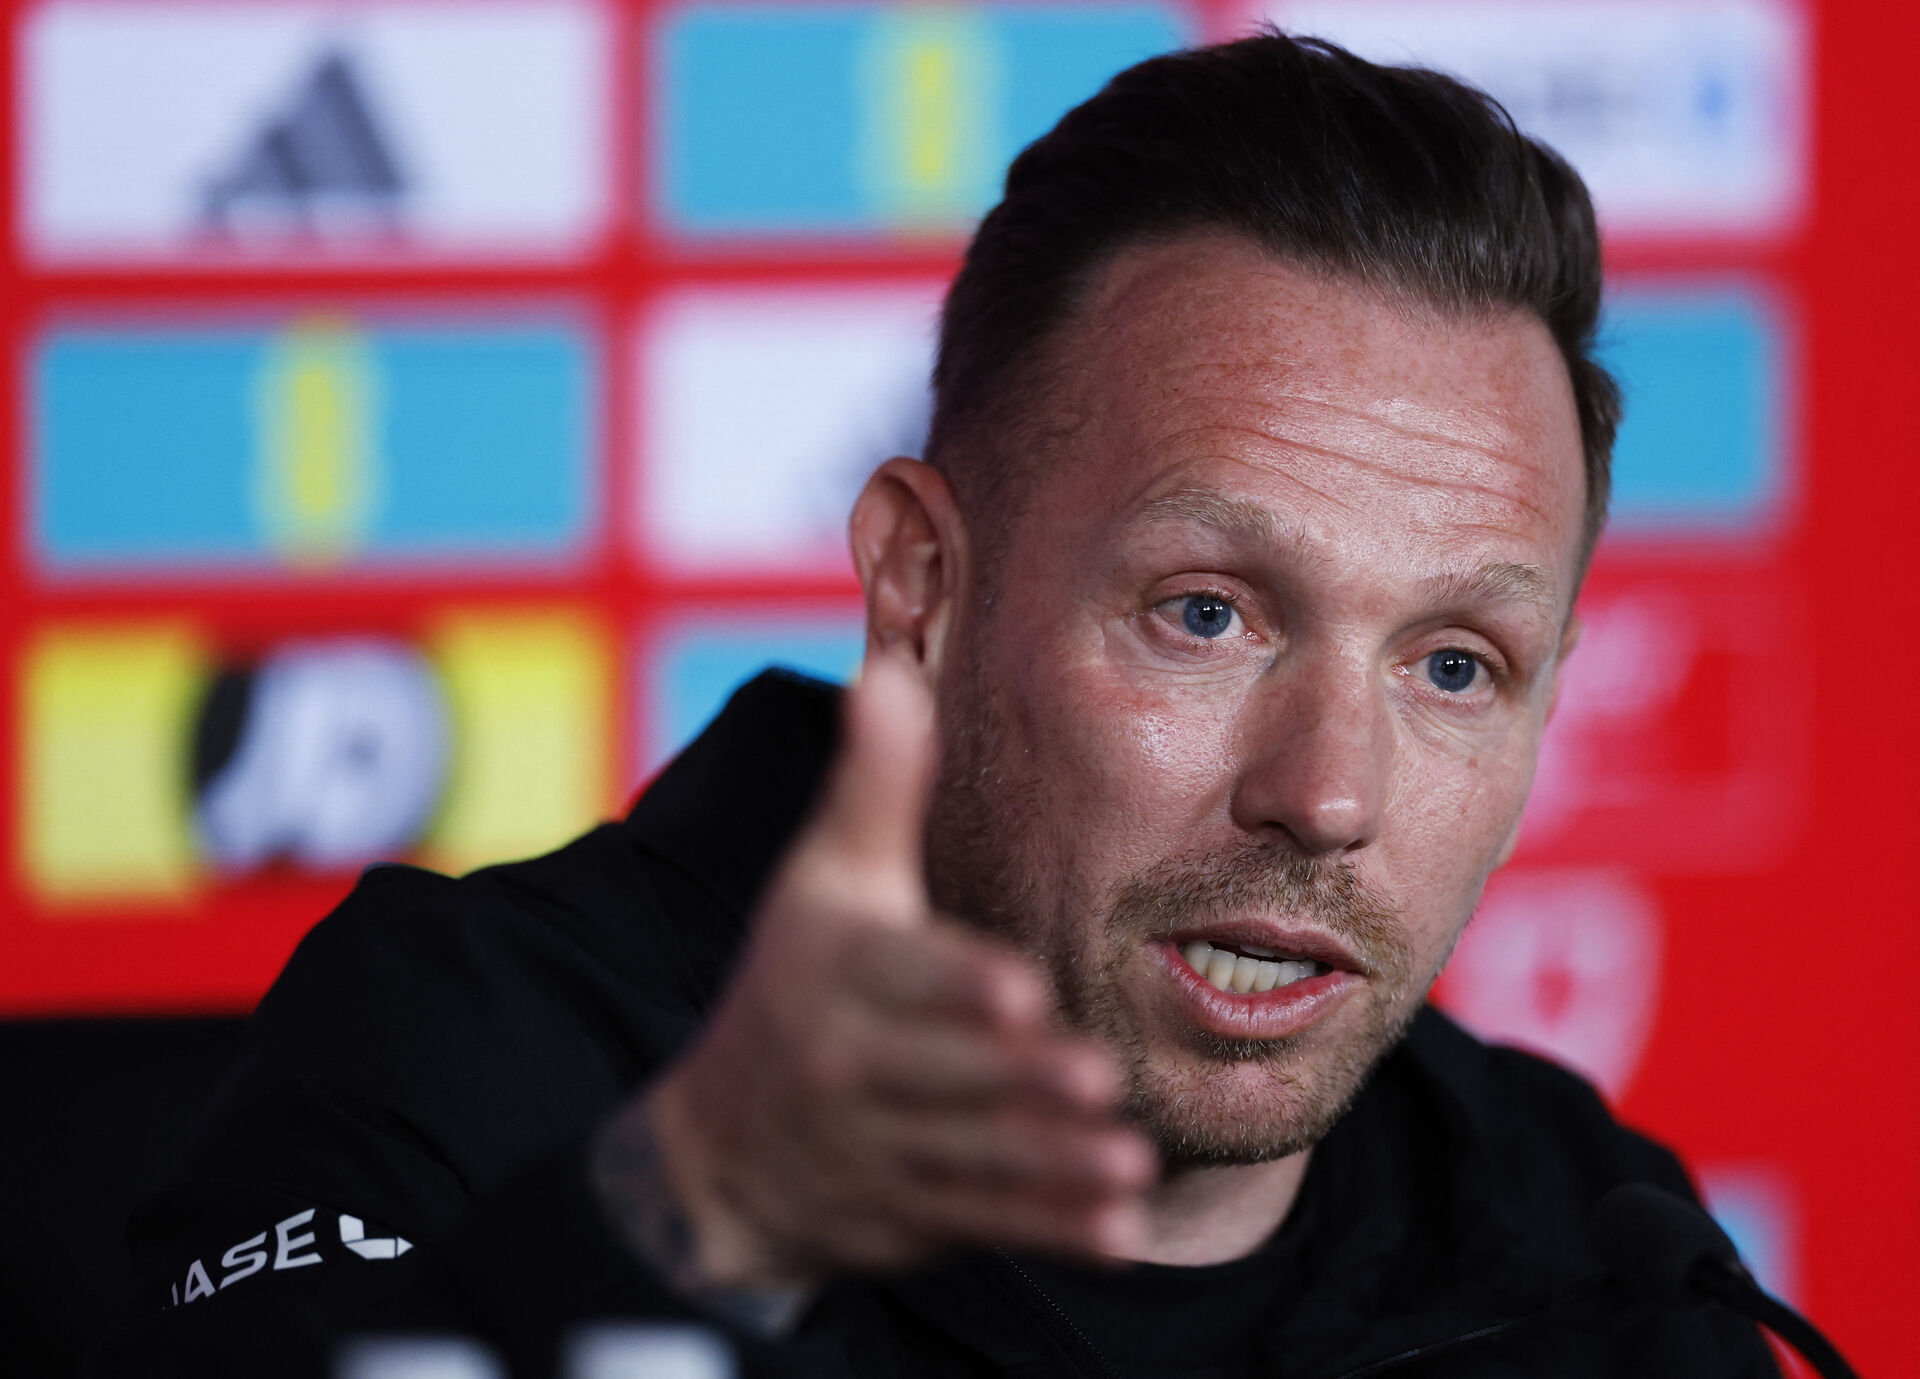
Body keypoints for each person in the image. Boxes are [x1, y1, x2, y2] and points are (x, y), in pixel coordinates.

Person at [90, 31, 1779, 1379]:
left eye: (1454, 666)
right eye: (1206, 615)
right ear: (921, 585)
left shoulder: (1587, 1230)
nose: (1331, 792)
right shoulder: (486, 1055)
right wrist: (679, 1232)